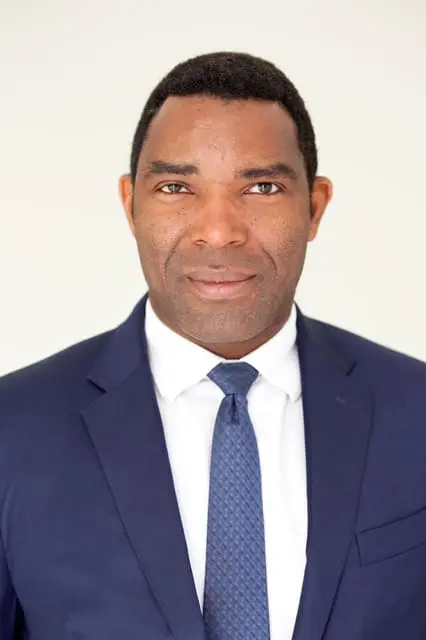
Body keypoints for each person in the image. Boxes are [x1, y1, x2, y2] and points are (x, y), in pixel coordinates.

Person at [0, 50, 425, 640]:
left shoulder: (416, 410)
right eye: (176, 187)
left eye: (262, 187)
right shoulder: (13, 427)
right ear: (130, 204)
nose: (219, 231)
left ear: (314, 207)